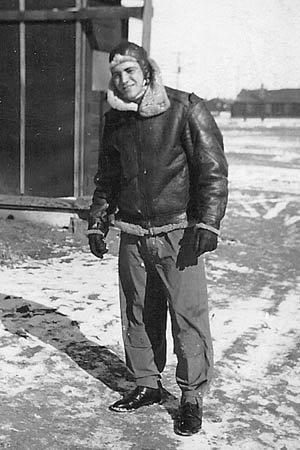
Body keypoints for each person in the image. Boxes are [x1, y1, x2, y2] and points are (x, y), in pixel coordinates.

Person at [87, 41, 228, 436]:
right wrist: (99, 219)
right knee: (138, 312)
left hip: (177, 233)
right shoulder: (114, 120)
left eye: (130, 70)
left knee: (188, 318)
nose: (123, 79)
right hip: (132, 234)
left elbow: (212, 172)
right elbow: (107, 179)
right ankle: (147, 384)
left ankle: (191, 397)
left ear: (147, 71)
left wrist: (208, 223)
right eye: (116, 74)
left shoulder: (185, 108)